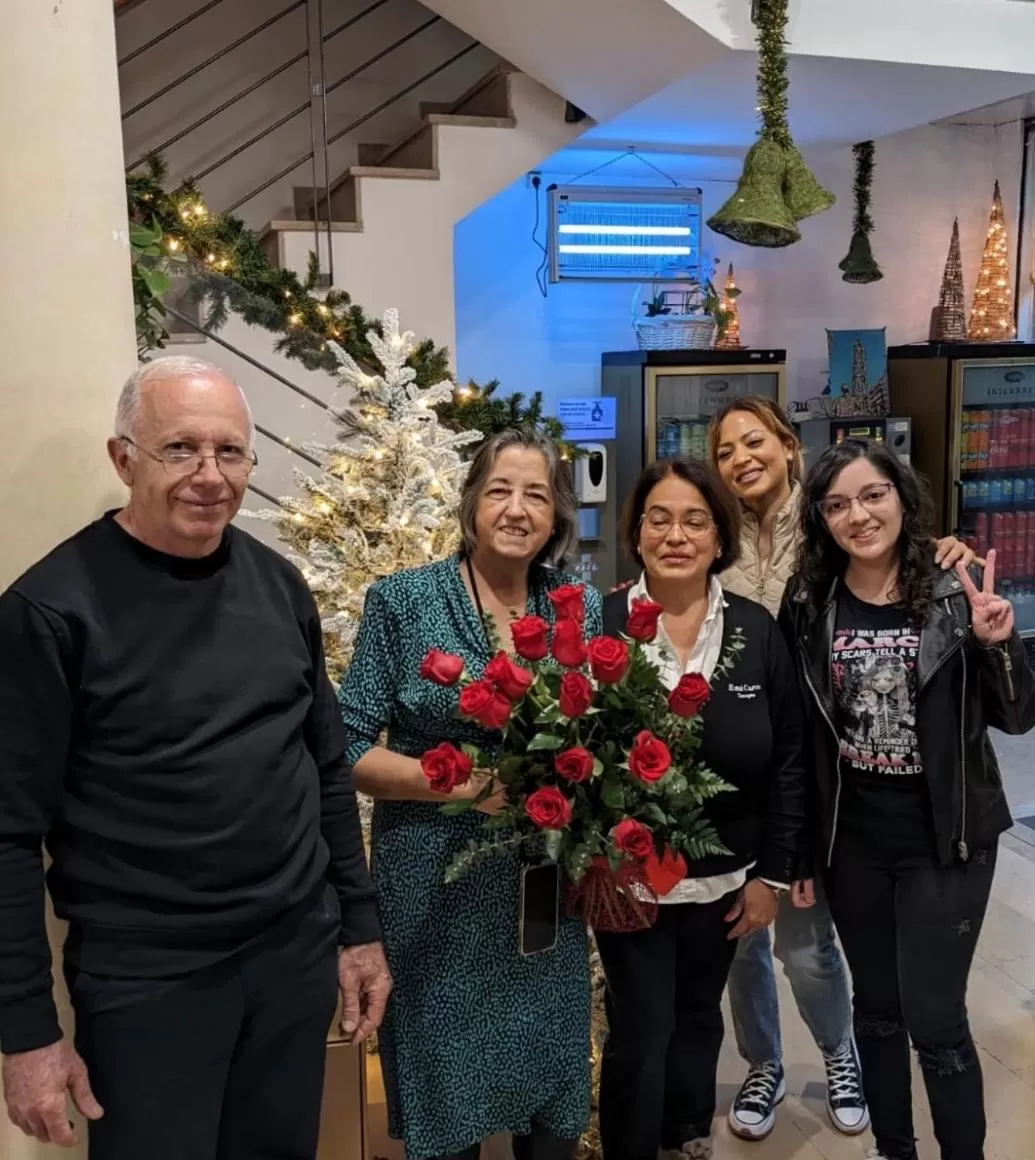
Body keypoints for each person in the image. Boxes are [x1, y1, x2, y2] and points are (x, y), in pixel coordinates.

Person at [0, 356, 389, 1160]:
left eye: (230, 451)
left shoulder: (279, 586)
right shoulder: (48, 613)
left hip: (291, 957)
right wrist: (26, 1032)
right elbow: (5, 836)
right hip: (148, 980)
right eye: (180, 449)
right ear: (124, 459)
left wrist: (357, 928)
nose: (210, 476)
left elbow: (324, 767)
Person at [708, 397, 972, 1141]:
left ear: (787, 445)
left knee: (806, 945)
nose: (740, 459)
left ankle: (838, 1052)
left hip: (816, 771)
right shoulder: (717, 535)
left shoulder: (829, 519)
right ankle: (762, 1062)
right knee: (739, 938)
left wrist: (943, 550)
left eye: (753, 442)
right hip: (735, 765)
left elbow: (893, 557)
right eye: (725, 451)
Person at [338, 428, 600, 1160]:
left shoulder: (576, 607)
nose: (516, 509)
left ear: (556, 516)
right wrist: (460, 783)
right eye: (499, 490)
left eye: (536, 494)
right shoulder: (402, 601)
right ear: (470, 503)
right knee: (449, 1106)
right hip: (433, 888)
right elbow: (347, 747)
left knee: (550, 1101)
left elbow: (596, 732)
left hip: (540, 891)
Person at [781, 439, 1035, 1160]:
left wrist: (998, 644)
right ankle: (894, 1149)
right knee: (877, 1011)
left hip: (944, 840)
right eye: (836, 504)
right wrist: (798, 848)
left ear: (900, 496)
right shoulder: (808, 599)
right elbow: (800, 737)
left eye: (872, 495)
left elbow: (1018, 717)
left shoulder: (955, 588)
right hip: (852, 842)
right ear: (820, 518)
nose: (857, 516)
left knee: (935, 1019)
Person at [596, 457, 806, 1160]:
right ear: (636, 532)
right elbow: (571, 755)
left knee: (697, 1014)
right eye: (658, 519)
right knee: (639, 1026)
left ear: (719, 536)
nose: (676, 535)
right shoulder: (602, 623)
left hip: (725, 878)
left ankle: (687, 1135)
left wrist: (771, 876)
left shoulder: (754, 628)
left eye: (695, 520)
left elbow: (788, 759)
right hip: (627, 881)